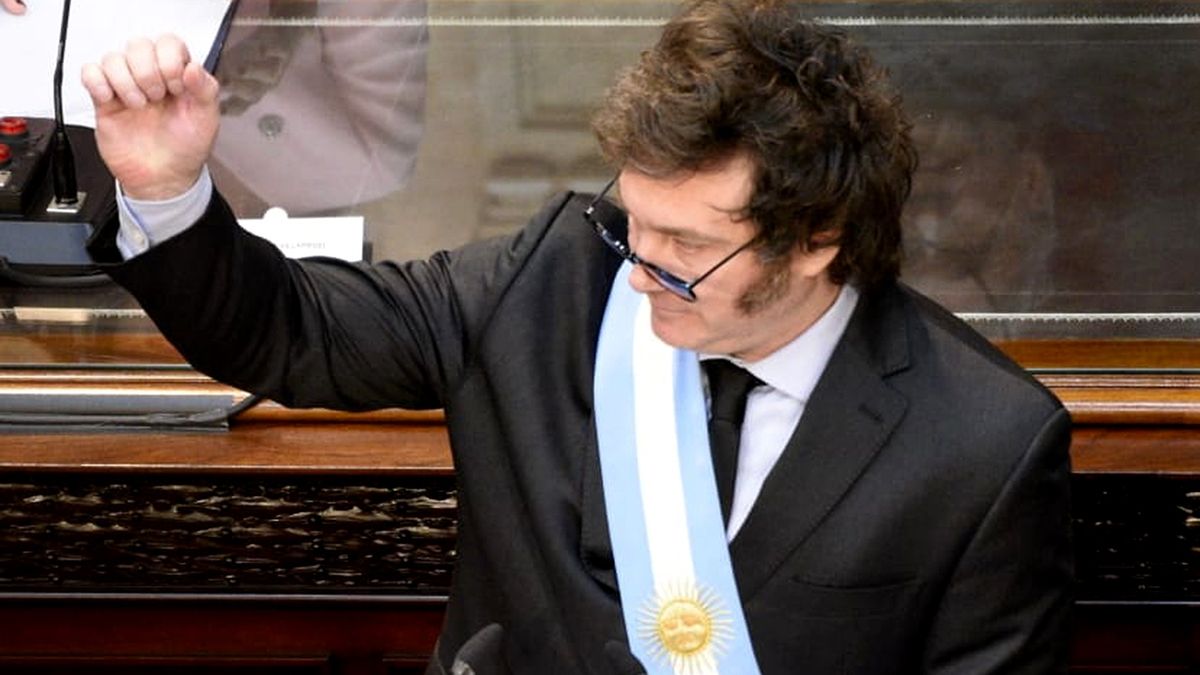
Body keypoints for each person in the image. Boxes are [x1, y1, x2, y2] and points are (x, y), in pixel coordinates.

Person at [78, 1, 1073, 673]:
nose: (638, 269)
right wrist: (168, 189)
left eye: (689, 244)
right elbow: (289, 332)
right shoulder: (556, 277)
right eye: (635, 220)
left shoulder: (981, 440)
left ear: (819, 239)